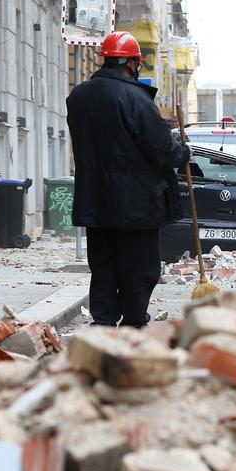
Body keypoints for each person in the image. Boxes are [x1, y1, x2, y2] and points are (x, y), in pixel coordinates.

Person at [66, 31, 190, 327]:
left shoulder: (79, 97)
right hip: (137, 204)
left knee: (104, 264)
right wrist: (182, 152)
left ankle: (105, 321)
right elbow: (162, 150)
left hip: (96, 200)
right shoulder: (137, 99)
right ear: (133, 63)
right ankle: (134, 320)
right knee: (139, 267)